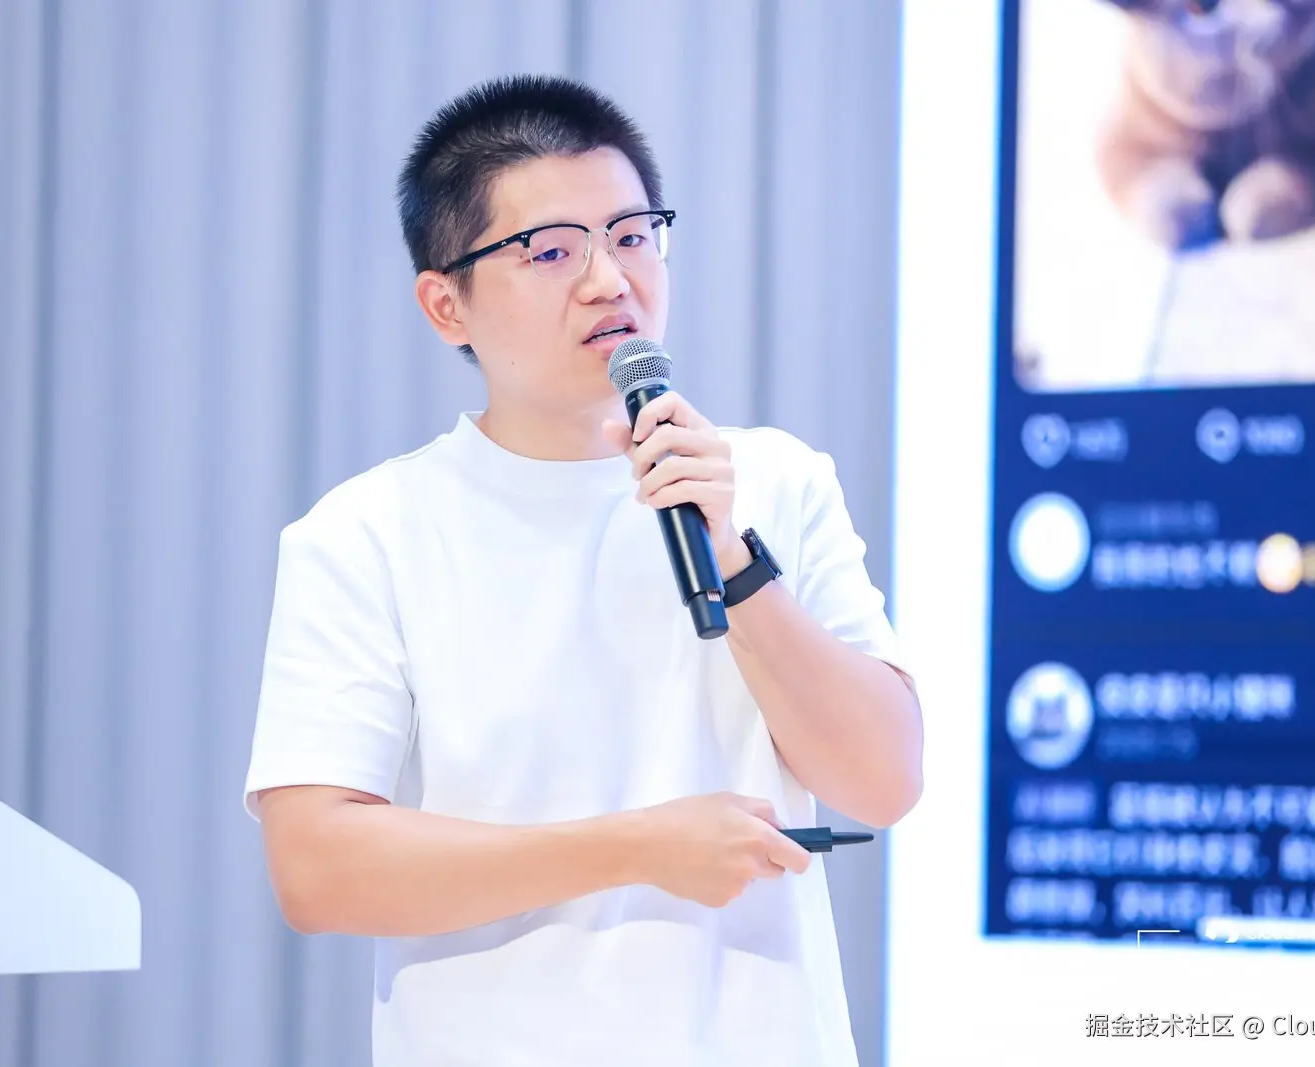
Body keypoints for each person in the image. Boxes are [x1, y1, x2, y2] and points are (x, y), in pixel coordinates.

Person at [243, 73, 924, 1067]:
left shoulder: (773, 480)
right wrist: (637, 845)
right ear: (445, 304)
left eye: (634, 235)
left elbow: (885, 779)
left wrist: (734, 558)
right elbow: (316, 867)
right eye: (553, 251)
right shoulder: (365, 533)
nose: (611, 279)